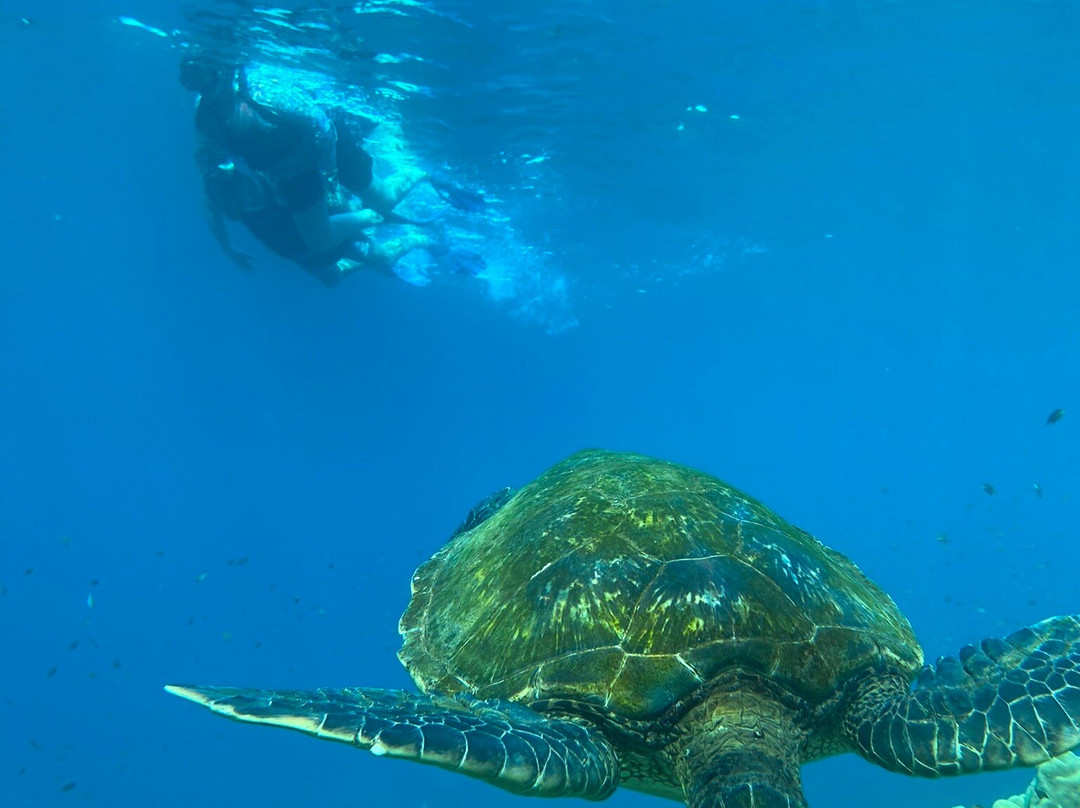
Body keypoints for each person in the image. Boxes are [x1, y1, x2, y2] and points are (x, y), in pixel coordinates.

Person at [180, 56, 483, 285]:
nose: (202, 86)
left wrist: (331, 180)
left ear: (218, 69)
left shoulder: (254, 90)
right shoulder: (205, 120)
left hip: (329, 150)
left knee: (385, 198)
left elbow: (320, 126)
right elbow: (215, 170)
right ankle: (391, 226)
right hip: (292, 175)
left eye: (205, 76)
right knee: (319, 242)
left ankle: (420, 173)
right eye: (191, 80)